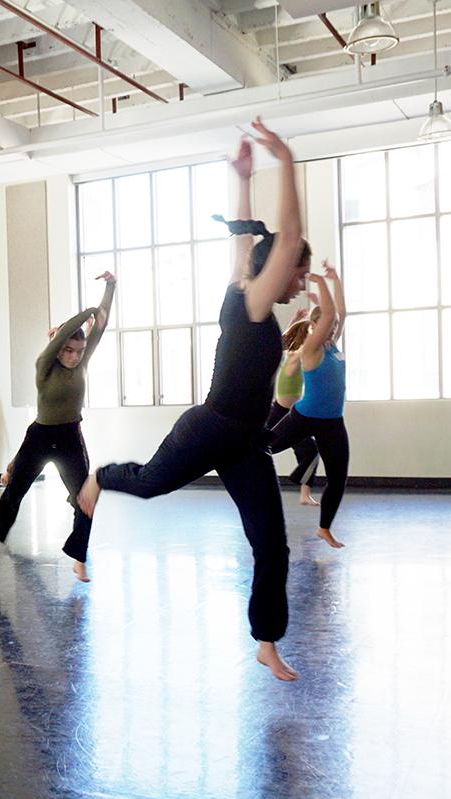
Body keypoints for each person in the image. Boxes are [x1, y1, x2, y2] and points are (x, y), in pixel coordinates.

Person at [77, 121, 306, 682]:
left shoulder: (245, 288)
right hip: (208, 427)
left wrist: (245, 179)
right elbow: (285, 239)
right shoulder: (251, 300)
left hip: (244, 443)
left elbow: (245, 238)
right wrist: (288, 162)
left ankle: (267, 641)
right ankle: (102, 476)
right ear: (280, 269)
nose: (300, 281)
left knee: (272, 543)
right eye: (297, 272)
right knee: (151, 484)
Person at [0, 272, 115, 582]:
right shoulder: (44, 366)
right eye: (68, 350)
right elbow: (68, 334)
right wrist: (86, 313)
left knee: (86, 498)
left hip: (70, 436)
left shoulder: (81, 363)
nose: (74, 356)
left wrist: (110, 288)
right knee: (15, 490)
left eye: (79, 351)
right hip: (40, 436)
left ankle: (79, 557)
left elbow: (103, 324)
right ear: (58, 348)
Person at [268, 262, 349, 548]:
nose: (334, 328)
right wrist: (317, 281)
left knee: (338, 478)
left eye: (336, 327)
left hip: (333, 423)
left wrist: (335, 280)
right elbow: (328, 313)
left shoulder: (333, 346)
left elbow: (339, 312)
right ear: (316, 328)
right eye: (329, 326)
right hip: (304, 416)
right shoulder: (312, 348)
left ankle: (324, 529)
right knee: (264, 447)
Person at [267, 308, 322, 505]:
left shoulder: (290, 354)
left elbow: (284, 340)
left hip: (294, 414)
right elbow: (285, 342)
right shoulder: (293, 356)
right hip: (279, 414)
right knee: (262, 448)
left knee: (310, 452)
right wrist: (312, 329)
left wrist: (295, 319)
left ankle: (304, 494)